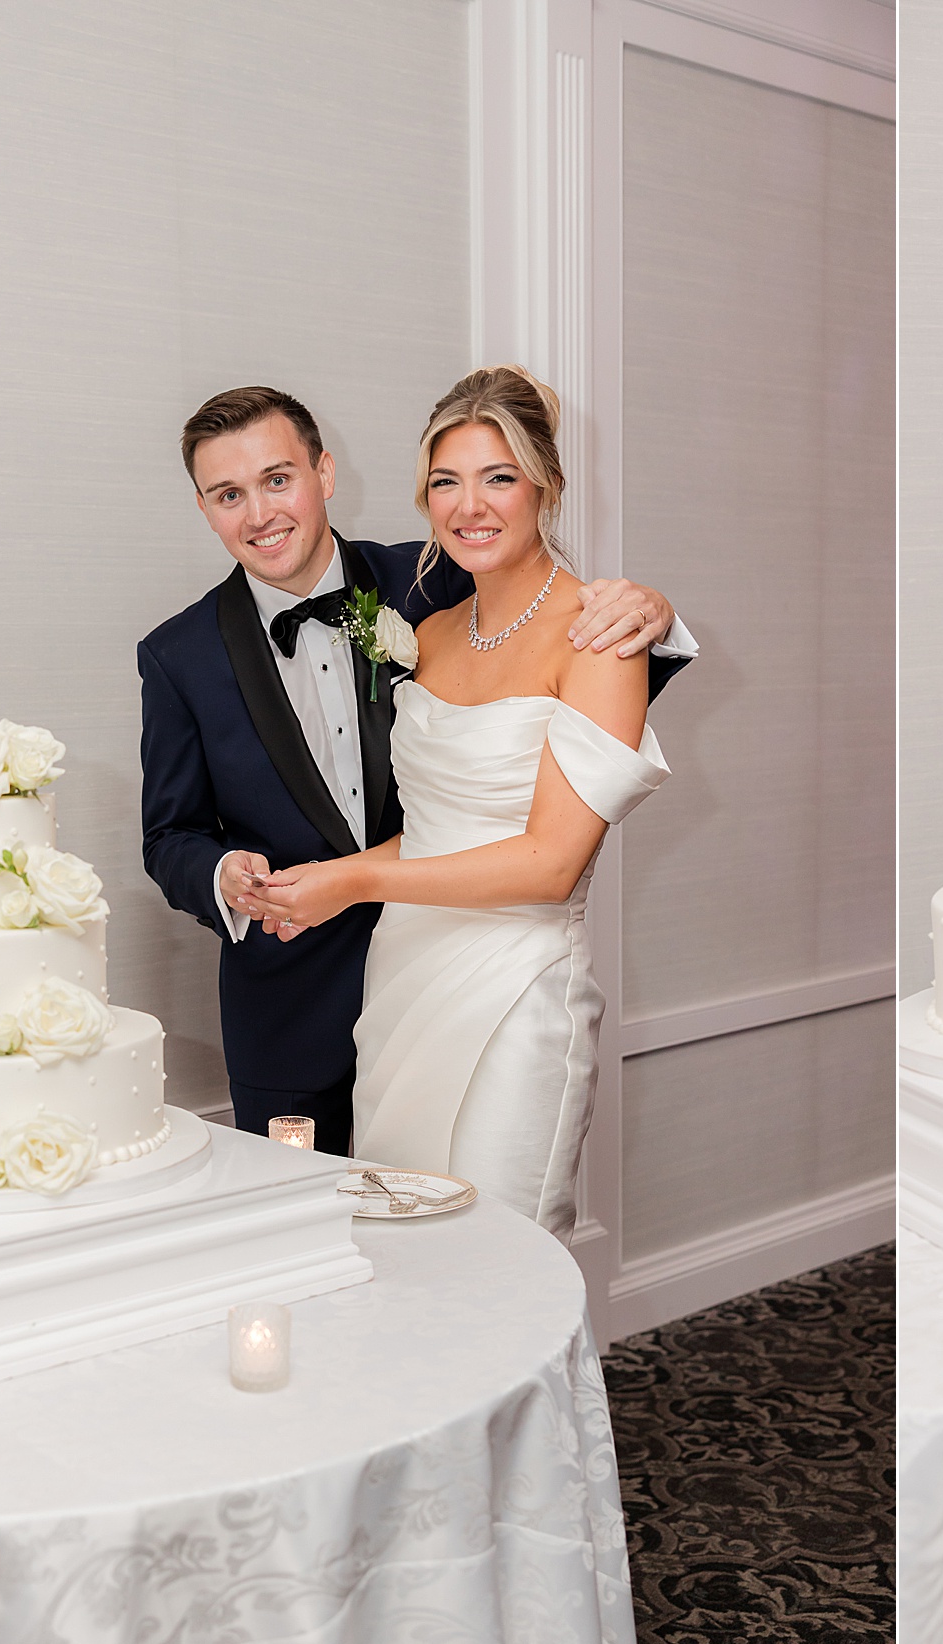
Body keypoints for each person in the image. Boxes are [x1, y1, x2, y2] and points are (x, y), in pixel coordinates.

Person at [138, 385, 694, 1154]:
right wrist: (224, 874)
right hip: (291, 1005)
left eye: (278, 478)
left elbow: (553, 631)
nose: (260, 513)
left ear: (323, 473)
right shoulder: (177, 655)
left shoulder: (431, 579)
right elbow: (169, 835)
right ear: (204, 508)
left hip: (478, 973)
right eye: (229, 494)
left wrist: (651, 611)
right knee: (320, 1241)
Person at [258, 367, 670, 1238]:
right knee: (399, 1247)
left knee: (503, 1257)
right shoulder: (433, 634)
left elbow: (552, 864)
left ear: (547, 487)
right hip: (405, 978)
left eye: (499, 477)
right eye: (446, 482)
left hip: (517, 988)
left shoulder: (601, 635)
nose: (469, 505)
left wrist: (355, 887)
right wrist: (325, 878)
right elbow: (429, 836)